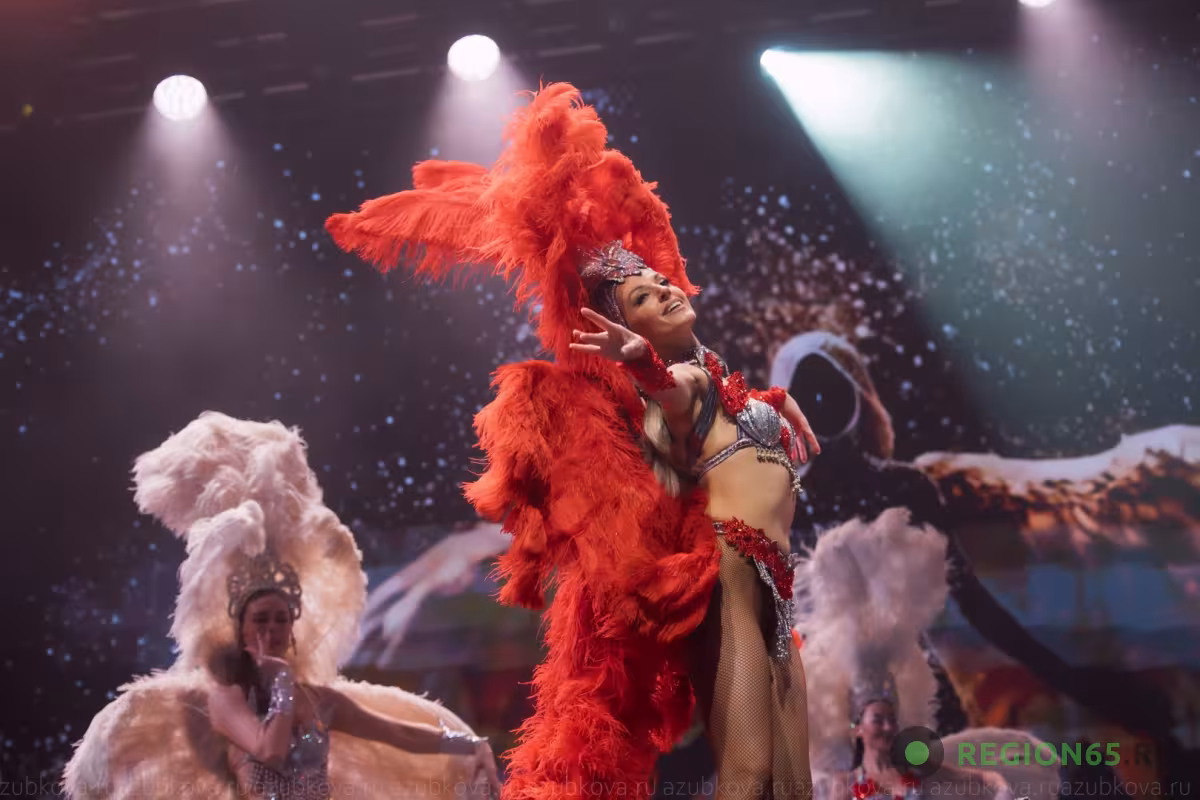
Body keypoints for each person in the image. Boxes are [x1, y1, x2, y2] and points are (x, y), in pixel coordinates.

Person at [324, 83, 819, 800]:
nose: (664, 291)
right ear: (627, 332)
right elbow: (676, 400)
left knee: (795, 779)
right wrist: (643, 363)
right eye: (643, 297)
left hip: (778, 581)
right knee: (750, 772)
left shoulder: (728, 385)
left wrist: (771, 403)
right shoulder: (678, 385)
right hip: (733, 576)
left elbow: (717, 403)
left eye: (658, 282)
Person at [63, 412, 500, 800]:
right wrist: (283, 683)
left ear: (292, 626)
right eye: (261, 619)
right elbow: (269, 750)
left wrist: (471, 743)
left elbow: (398, 733)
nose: (271, 629)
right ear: (242, 628)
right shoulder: (226, 697)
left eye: (280, 619)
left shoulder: (322, 701)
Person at [794, 508, 1057, 800]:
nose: (888, 727)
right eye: (878, 719)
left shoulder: (919, 770)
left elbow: (987, 780)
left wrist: (1002, 792)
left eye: (891, 719)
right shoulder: (843, 784)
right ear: (858, 728)